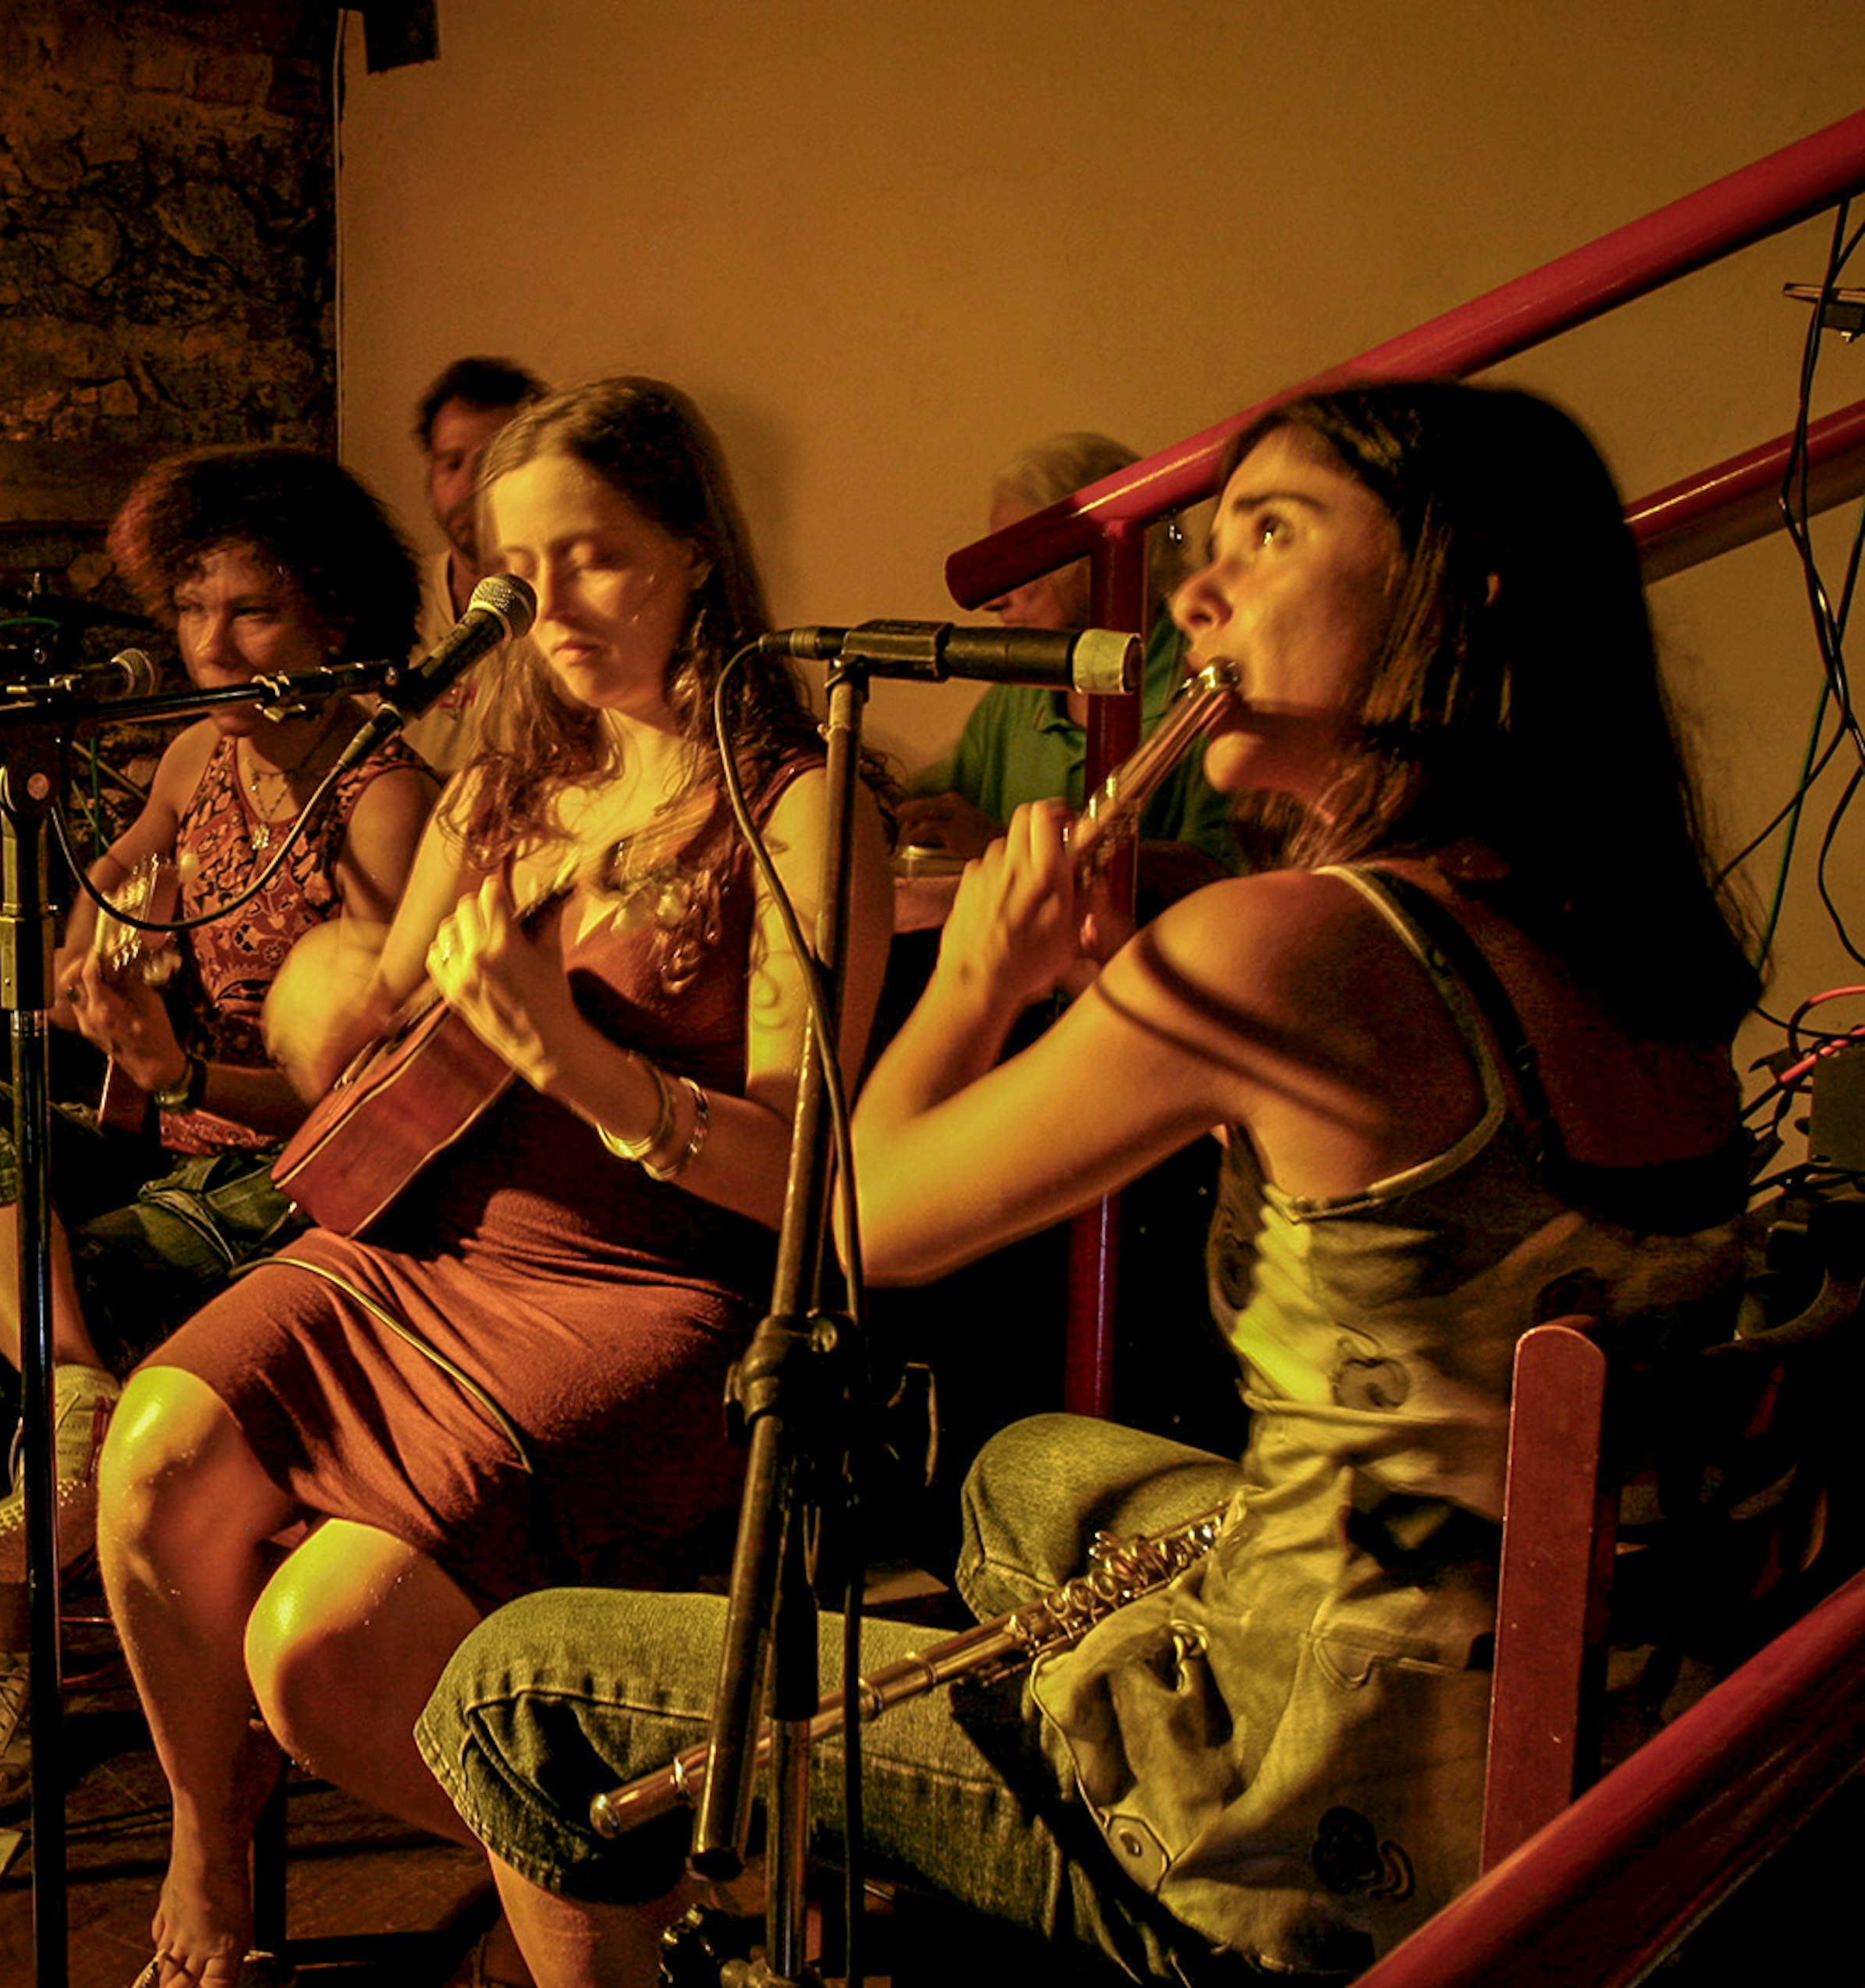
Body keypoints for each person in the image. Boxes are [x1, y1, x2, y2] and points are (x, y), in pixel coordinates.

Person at [421, 382, 1760, 1984]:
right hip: (1600, 1681)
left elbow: (858, 1217)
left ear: (1458, 596)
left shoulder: (1288, 949)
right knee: (1027, 1466)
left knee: (513, 1685)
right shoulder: (1619, 931)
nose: (1194, 590)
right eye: (1208, 536)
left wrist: (980, 980)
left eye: (1272, 533)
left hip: (1326, 1798)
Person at [99, 377, 896, 1988]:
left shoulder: (803, 806)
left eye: (597, 557)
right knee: (151, 1453)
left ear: (694, 553)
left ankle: (647, 1888)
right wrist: (252, 1014)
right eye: (519, 572)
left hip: (652, 1290)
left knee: (321, 1645)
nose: (552, 607)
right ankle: (208, 1820)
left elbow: (807, 1176)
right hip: (427, 1252)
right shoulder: (503, 778)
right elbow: (379, 1034)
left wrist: (583, 1064)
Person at [0, 445, 433, 1813]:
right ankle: (70, 1387)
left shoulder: (390, 799)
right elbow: (102, 901)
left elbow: (387, 1094)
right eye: (191, 610)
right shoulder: (196, 753)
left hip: (288, 1180)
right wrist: (96, 963)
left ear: (334, 621)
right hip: (159, 1119)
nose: (211, 644)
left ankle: (4, 1661)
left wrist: (181, 1078)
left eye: (253, 614)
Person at [899, 431, 1241, 910]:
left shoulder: (1206, 676)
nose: (996, 598)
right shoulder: (1016, 699)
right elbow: (936, 805)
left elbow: (1221, 872)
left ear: (1102, 551)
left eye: (1023, 561)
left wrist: (1011, 850)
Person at [401, 356, 548, 775]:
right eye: (451, 463)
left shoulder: (563, 610)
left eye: (492, 464)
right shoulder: (394, 596)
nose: (468, 487)